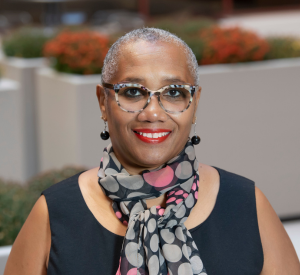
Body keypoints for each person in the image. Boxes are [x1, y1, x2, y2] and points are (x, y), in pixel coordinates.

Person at [4, 28, 300, 275]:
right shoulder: (55, 215)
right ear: (102, 102)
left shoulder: (247, 205)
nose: (153, 113)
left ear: (194, 104)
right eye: (133, 91)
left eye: (174, 92)